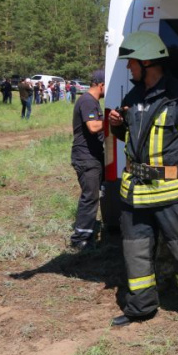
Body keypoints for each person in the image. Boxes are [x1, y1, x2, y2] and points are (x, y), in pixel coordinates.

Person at [108, 31, 178, 326]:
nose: (128, 67)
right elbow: (135, 141)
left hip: (172, 194)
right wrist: (119, 127)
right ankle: (140, 308)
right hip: (134, 195)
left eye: (132, 62)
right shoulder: (133, 97)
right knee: (136, 253)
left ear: (147, 62)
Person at [69, 70, 106, 250]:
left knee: (95, 195)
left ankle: (87, 232)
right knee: (90, 197)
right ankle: (80, 239)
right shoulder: (87, 101)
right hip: (86, 157)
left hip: (93, 156)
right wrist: (113, 120)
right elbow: (93, 126)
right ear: (101, 85)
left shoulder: (93, 102)